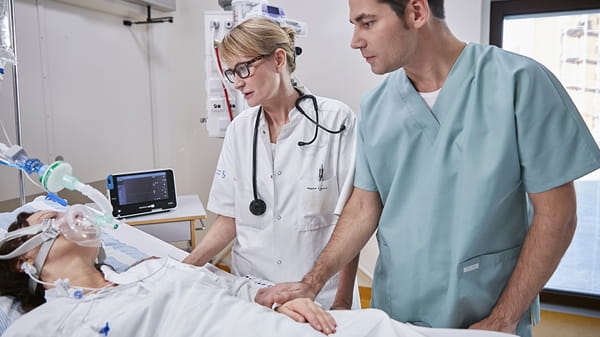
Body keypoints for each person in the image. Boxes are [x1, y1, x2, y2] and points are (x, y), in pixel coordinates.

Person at [254, 1, 600, 336]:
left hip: (486, 313)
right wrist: (311, 284)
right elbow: (363, 207)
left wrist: (503, 319)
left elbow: (558, 216)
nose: (355, 40)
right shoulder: (376, 106)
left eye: (367, 22)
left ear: (416, 11)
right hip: (398, 311)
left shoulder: (518, 82)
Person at [0, 211, 517, 337]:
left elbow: (239, 287)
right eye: (48, 217)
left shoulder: (153, 266)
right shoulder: (51, 321)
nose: (70, 216)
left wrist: (277, 299)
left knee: (380, 326)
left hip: (287, 326)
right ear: (26, 257)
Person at [182, 18, 360, 310]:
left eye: (244, 69)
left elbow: (351, 221)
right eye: (231, 73)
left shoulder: (335, 122)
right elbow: (229, 219)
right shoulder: (240, 130)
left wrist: (341, 302)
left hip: (319, 297)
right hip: (252, 293)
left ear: (278, 59)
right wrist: (185, 267)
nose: (237, 82)